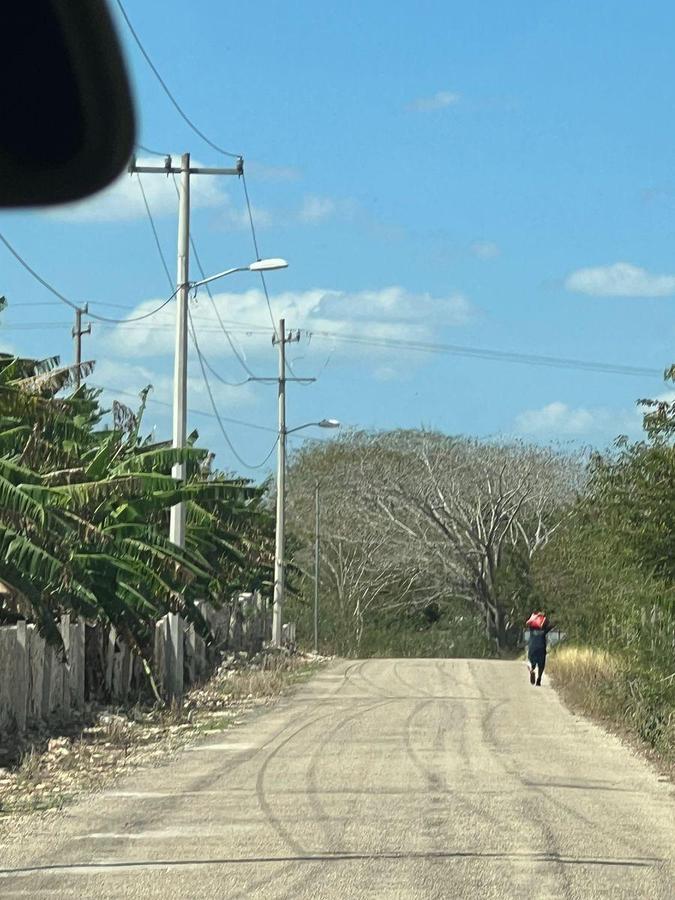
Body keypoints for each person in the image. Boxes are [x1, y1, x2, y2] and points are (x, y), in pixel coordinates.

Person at [525, 612, 554, 686]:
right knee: (541, 665)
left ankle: (532, 669)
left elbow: (528, 622)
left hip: (532, 647)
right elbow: (551, 625)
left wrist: (536, 616)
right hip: (541, 647)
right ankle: (539, 679)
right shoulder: (544, 629)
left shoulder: (531, 628)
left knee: (531, 661)